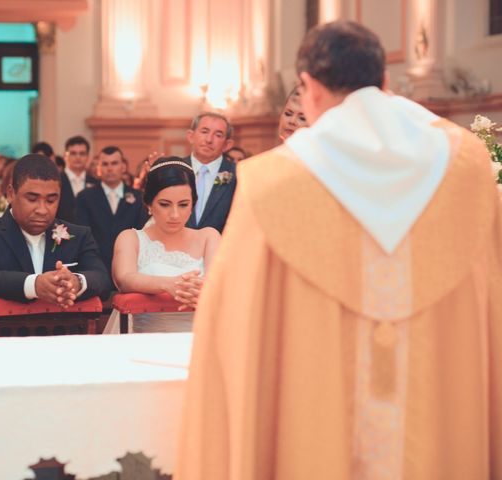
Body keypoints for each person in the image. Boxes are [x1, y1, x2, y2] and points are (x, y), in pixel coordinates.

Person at [177, 20, 502, 479]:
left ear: (308, 87)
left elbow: (230, 319)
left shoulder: (273, 184)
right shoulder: (467, 167)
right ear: (384, 82)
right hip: (438, 420)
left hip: (315, 423)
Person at [0, 154, 112, 335]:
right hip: (5, 347)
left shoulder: (78, 235)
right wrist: (34, 285)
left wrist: (76, 282)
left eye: (51, 200)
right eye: (32, 199)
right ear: (10, 193)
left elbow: (102, 278)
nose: (42, 209)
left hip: (68, 346)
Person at [109, 157, 220, 333]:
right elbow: (124, 278)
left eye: (183, 205)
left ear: (193, 204)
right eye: (165, 204)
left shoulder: (209, 237)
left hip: (201, 338)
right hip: (146, 340)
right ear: (149, 204)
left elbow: (218, 283)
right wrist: (168, 284)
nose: (175, 214)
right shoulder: (131, 238)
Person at [74, 146, 148, 275]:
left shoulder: (138, 197)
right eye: (105, 164)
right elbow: (83, 235)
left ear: (123, 167)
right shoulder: (85, 197)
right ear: (98, 168)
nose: (110, 168)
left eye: (114, 163)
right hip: (96, 267)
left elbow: (142, 234)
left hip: (130, 266)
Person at [184, 112, 236, 233]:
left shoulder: (238, 175)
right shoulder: (173, 169)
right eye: (204, 132)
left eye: (218, 135)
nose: (209, 140)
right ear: (191, 136)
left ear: (227, 144)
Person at [57, 135, 99, 224]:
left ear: (88, 157)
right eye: (73, 153)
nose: (78, 157)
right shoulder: (56, 181)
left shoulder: (96, 183)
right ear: (65, 156)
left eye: (82, 153)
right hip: (60, 233)